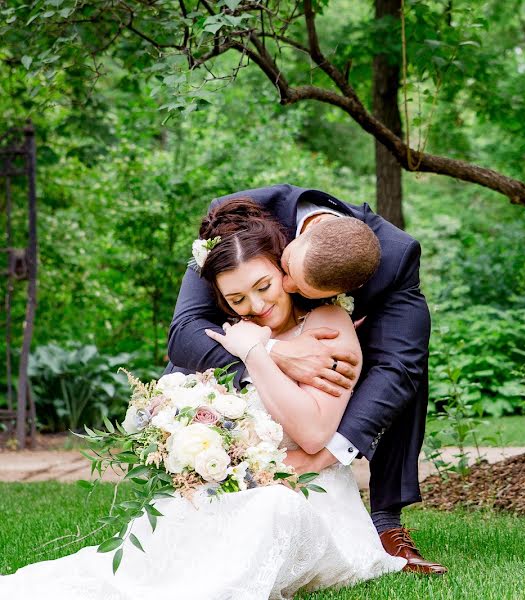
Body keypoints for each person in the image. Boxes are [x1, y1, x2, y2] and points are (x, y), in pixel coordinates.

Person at [0, 198, 406, 598]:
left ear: (283, 269)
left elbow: (314, 433)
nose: (257, 306)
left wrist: (255, 353)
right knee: (175, 518)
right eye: (237, 300)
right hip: (239, 488)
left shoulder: (327, 323)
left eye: (264, 287)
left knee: (273, 509)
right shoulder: (230, 333)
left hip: (308, 497)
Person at [165, 184, 447, 575]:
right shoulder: (236, 217)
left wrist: (323, 456)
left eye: (302, 289)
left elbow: (398, 366)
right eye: (289, 276)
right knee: (197, 349)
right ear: (290, 245)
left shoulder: (396, 257)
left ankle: (386, 520)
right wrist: (276, 353)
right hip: (244, 338)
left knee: (403, 368)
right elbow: (185, 329)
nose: (291, 289)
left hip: (340, 339)